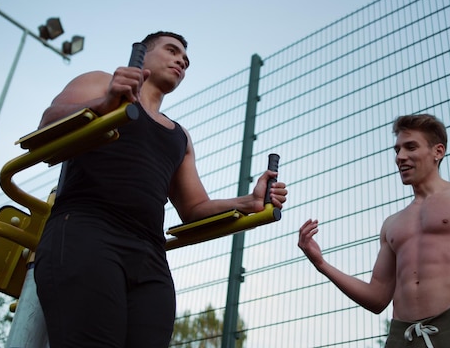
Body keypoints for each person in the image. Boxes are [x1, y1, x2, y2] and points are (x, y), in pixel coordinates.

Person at [33, 31, 288, 348]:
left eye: (186, 59)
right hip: (86, 233)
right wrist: (105, 103)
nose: (181, 60)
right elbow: (47, 124)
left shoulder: (179, 135)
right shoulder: (101, 82)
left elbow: (194, 207)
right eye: (172, 50)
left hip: (150, 255)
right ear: (145, 54)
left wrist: (249, 202)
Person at [298, 113, 450, 348]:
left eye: (410, 147)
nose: (400, 157)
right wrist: (322, 264)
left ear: (438, 151)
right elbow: (377, 297)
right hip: (402, 337)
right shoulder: (392, 224)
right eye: (397, 150)